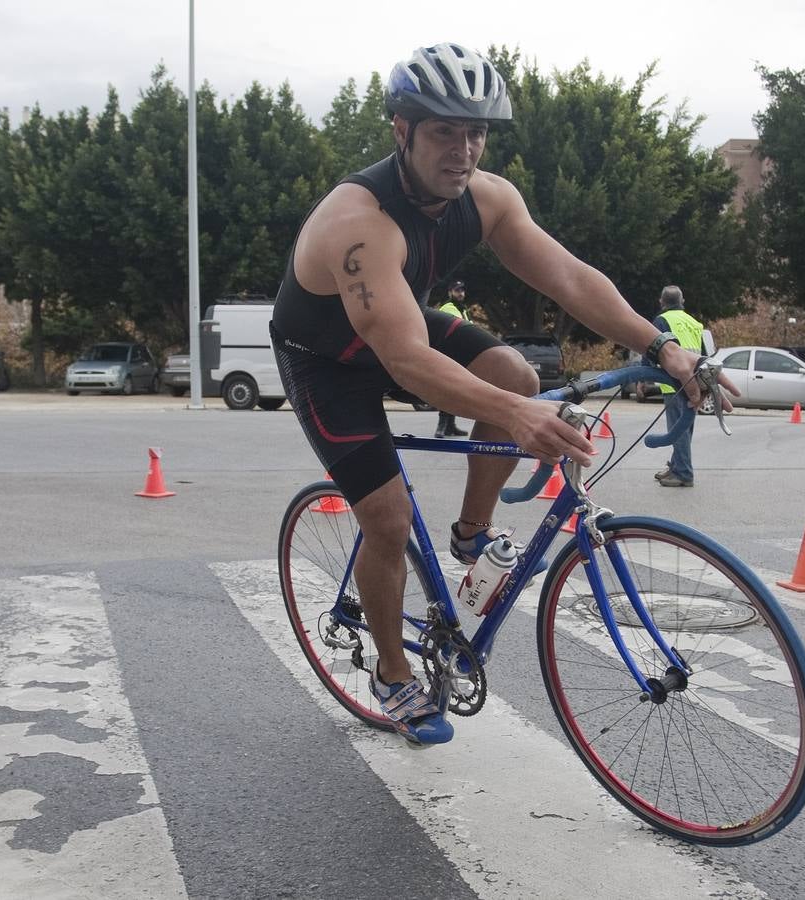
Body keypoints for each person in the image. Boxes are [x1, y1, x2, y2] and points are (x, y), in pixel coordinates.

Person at [269, 42, 731, 745]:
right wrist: (520, 418)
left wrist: (664, 349)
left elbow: (570, 280)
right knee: (387, 518)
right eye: (444, 133)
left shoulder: (486, 198)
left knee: (514, 373)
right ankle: (394, 674)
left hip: (396, 324)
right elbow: (407, 359)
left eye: (476, 132)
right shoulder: (357, 222)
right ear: (402, 130)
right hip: (328, 360)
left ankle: (469, 534)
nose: (464, 150)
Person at [648, 286, 703, 487]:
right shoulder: (695, 323)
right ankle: (676, 466)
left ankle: (683, 473)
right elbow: (703, 354)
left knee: (677, 430)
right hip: (694, 383)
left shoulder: (662, 320)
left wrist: (643, 376)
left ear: (661, 301)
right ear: (683, 301)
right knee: (685, 430)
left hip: (673, 383)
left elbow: (652, 348)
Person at [434, 280, 471, 437]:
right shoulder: (448, 307)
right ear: (450, 292)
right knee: (447, 389)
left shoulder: (462, 309)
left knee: (454, 390)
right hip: (448, 355)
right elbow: (460, 328)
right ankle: (441, 426)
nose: (461, 293)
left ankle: (450, 425)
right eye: (457, 291)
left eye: (462, 290)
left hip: (457, 355)